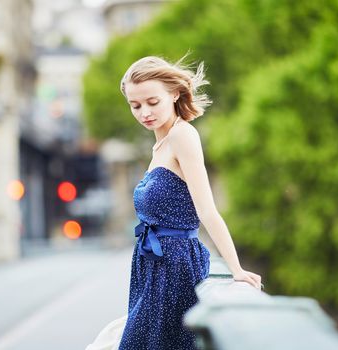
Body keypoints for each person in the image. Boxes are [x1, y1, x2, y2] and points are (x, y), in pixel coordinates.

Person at [86, 56, 262, 350]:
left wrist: (236, 269)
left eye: (152, 102)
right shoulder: (160, 144)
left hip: (175, 266)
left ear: (175, 93)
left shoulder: (183, 135)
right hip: (152, 266)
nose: (144, 112)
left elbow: (207, 210)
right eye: (135, 105)